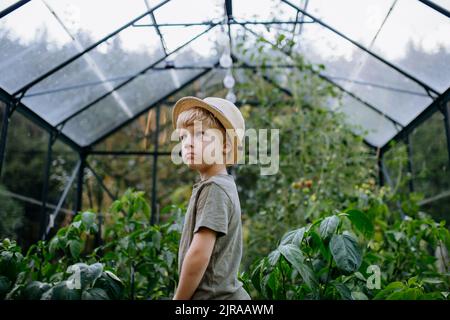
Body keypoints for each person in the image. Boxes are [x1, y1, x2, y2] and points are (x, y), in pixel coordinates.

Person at [171, 96, 251, 300]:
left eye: (199, 134)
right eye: (183, 137)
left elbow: (199, 254)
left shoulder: (215, 188)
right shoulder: (216, 185)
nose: (187, 144)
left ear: (225, 146)